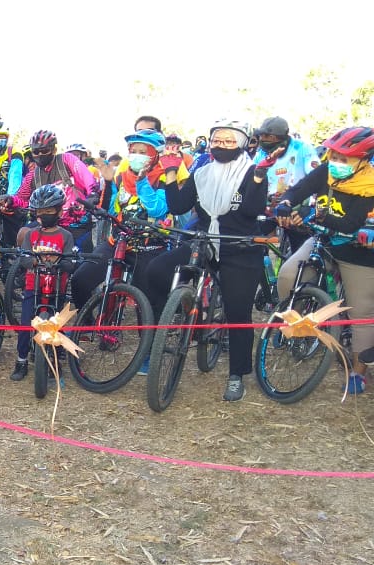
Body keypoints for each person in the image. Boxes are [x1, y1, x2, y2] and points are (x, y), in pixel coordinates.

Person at [145, 119, 268, 401]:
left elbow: (252, 209)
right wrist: (171, 173)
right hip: (203, 240)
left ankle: (237, 374)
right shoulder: (202, 171)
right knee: (158, 269)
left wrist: (259, 179)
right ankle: (185, 309)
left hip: (239, 245)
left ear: (242, 143)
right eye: (217, 140)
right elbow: (178, 205)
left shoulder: (252, 171)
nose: (221, 145)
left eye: (229, 140)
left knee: (238, 314)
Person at [274, 126, 374, 394]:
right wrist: (285, 203)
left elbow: (351, 223)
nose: (337, 163)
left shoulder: (370, 184)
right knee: (287, 277)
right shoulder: (327, 170)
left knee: (360, 312)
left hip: (359, 253)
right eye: (335, 156)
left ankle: (357, 372)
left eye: (345, 159)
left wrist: (311, 214)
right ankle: (303, 328)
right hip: (323, 241)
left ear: (363, 160)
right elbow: (298, 190)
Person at [71, 129, 172, 311]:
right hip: (117, 241)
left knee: (149, 303)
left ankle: (149, 337)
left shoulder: (163, 178)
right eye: (134, 151)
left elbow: (158, 209)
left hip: (149, 245)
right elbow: (110, 208)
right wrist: (109, 182)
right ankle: (84, 326)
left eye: (143, 152)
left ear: (155, 154)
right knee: (80, 279)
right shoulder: (121, 177)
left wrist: (142, 183)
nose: (137, 156)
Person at [9, 185, 76, 381]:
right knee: (26, 325)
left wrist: (62, 263)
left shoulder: (66, 236)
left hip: (57, 289)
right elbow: (24, 258)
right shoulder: (31, 235)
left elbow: (69, 261)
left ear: (59, 211)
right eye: (40, 212)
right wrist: (35, 261)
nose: (44, 215)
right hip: (33, 286)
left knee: (56, 324)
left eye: (49, 211)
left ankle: (54, 360)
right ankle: (21, 360)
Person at [2, 130, 99, 250]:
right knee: (23, 234)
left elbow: (87, 177)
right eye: (36, 151)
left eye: (44, 150)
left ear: (53, 150)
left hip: (76, 223)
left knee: (82, 261)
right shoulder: (33, 175)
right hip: (46, 222)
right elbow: (22, 198)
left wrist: (92, 194)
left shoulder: (67, 161)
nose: (40, 155)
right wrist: (10, 200)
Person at [252, 116, 321, 254]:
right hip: (269, 207)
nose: (262, 140)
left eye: (268, 136)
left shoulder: (302, 148)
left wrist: (310, 206)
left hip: (295, 207)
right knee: (257, 245)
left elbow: (316, 177)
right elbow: (254, 176)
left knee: (300, 250)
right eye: (261, 136)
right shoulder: (261, 153)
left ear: (280, 137)